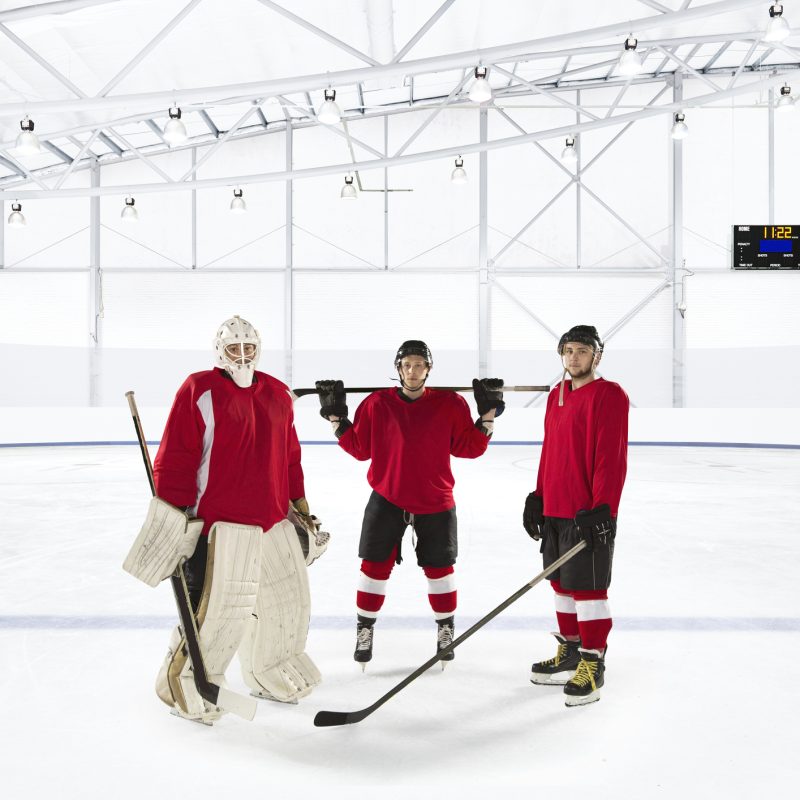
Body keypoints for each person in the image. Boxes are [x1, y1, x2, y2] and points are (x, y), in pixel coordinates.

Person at [130, 315, 326, 724]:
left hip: (274, 520)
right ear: (219, 351)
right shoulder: (199, 389)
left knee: (288, 604)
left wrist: (300, 505)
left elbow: (290, 456)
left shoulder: (278, 393)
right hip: (221, 524)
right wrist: (174, 515)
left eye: (247, 347)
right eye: (233, 348)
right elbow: (177, 457)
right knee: (220, 612)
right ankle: (181, 681)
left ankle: (269, 669)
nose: (241, 356)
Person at [315, 341, 504, 668]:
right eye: (407, 365)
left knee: (440, 569)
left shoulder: (450, 403)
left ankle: (445, 631)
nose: (412, 371)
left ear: (428, 369)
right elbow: (360, 449)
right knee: (373, 567)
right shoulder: (377, 404)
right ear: (398, 368)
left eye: (419, 365)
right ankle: (365, 629)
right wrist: (335, 417)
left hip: (435, 499)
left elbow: (470, 448)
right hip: (388, 497)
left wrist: (487, 414)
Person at [523, 325, 628, 707]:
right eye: (568, 350)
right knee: (562, 585)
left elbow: (611, 457)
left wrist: (603, 510)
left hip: (587, 512)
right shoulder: (557, 395)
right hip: (556, 508)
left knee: (589, 590)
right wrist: (538, 496)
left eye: (582, 351)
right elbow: (549, 449)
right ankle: (570, 652)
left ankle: (593, 663)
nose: (574, 357)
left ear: (596, 356)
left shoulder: (609, 395)